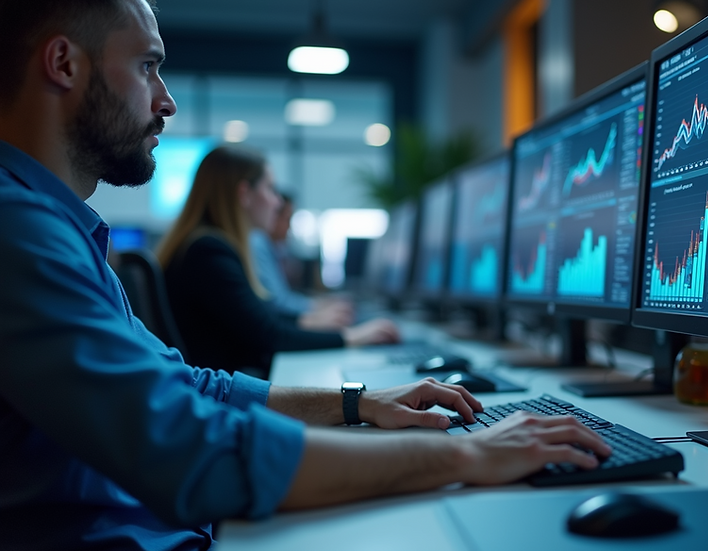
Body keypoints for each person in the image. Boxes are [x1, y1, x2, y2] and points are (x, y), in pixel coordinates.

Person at [0, 1, 611, 549]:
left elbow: (192, 389)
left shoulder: (59, 230)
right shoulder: (18, 231)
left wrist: (360, 402)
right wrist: (461, 453)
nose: (166, 100)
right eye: (146, 67)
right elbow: (192, 451)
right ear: (64, 63)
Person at [156, 145, 387, 375]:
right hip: (222, 394)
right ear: (244, 194)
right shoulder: (208, 252)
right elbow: (269, 335)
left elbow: (260, 317)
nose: (277, 203)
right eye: (270, 189)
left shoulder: (204, 245)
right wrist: (354, 336)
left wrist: (310, 320)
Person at [248, 191, 356, 327]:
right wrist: (317, 312)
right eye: (287, 219)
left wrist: (320, 305)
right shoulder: (258, 242)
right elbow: (277, 303)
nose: (290, 228)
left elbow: (281, 298)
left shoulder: (275, 249)